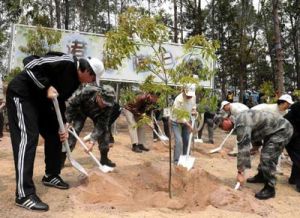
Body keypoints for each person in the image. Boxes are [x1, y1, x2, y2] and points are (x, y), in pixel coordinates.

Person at [6, 52, 104, 211]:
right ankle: (24, 194)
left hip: (42, 103)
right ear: (87, 71)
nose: (91, 82)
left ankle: (51, 175)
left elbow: (58, 100)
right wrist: (47, 86)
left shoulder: (75, 83)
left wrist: (63, 124)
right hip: (23, 95)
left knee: (55, 134)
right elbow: (29, 62)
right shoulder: (66, 62)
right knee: (28, 138)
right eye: (93, 79)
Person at [219, 110, 293, 200]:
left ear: (227, 119)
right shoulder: (239, 119)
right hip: (271, 131)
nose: (223, 129)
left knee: (267, 157)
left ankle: (270, 188)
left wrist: (240, 173)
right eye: (220, 128)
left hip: (282, 130)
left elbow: (243, 148)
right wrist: (256, 146)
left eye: (221, 125)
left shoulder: (241, 123)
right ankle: (261, 176)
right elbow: (256, 129)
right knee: (265, 154)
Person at [62, 84, 121, 168]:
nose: (105, 105)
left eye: (107, 104)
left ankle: (104, 159)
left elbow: (101, 124)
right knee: (74, 130)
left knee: (105, 133)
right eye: (104, 102)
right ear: (98, 96)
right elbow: (72, 104)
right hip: (81, 111)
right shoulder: (86, 92)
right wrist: (67, 121)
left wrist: (92, 141)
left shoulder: (109, 105)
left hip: (98, 115)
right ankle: (61, 158)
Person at [170, 84, 197, 164]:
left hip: (187, 120)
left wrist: (194, 112)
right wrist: (188, 125)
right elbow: (179, 116)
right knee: (178, 141)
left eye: (191, 95)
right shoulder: (178, 99)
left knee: (187, 140)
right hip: (176, 121)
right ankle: (176, 161)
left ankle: (186, 158)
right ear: (184, 92)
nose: (190, 97)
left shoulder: (193, 96)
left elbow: (193, 106)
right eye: (188, 95)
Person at [284, 101, 300, 192]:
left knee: (297, 157)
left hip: (295, 134)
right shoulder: (297, 106)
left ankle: (293, 179)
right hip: (289, 133)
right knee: (298, 157)